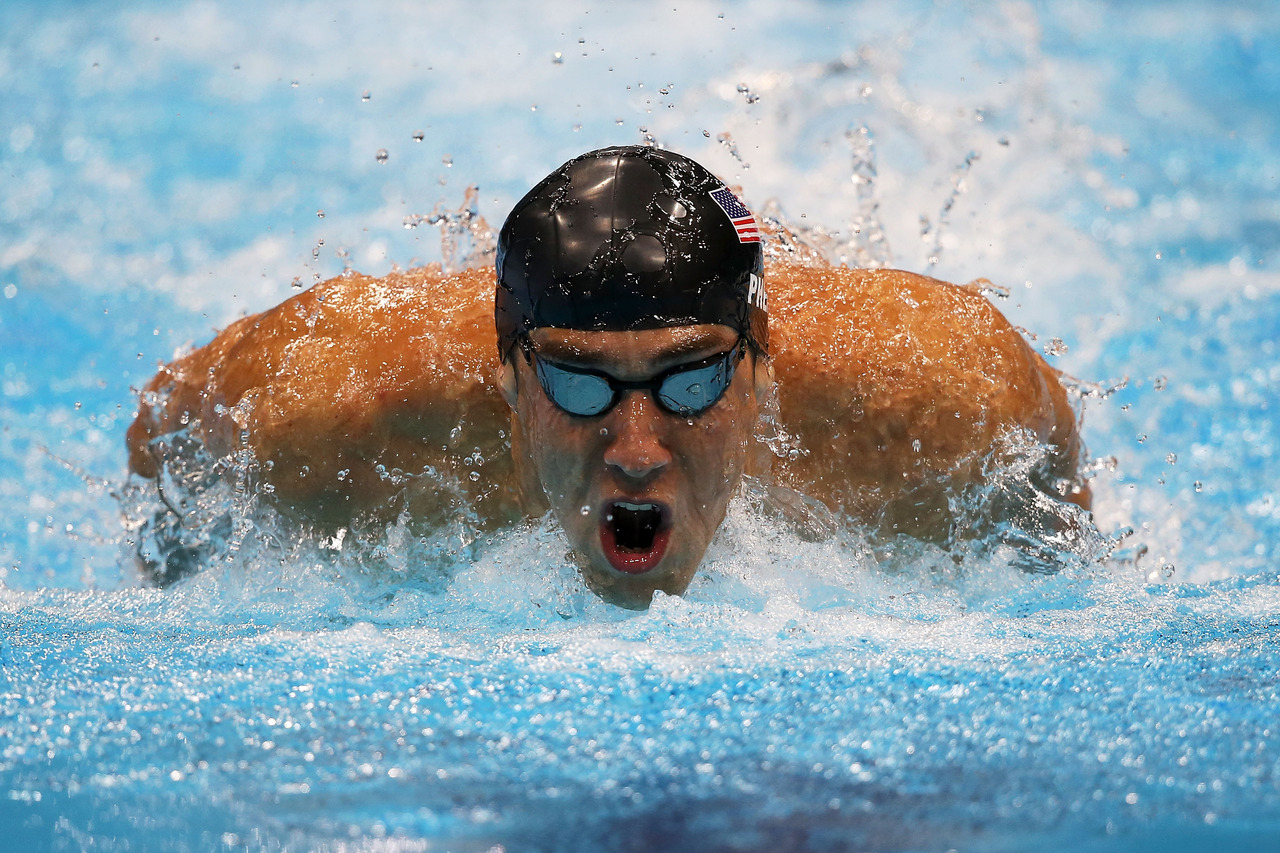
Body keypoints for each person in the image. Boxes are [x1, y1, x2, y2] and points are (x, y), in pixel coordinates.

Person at [126, 145, 1089, 608]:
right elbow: (162, 430)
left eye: (692, 384)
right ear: (506, 375)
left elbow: (1055, 507)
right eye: (579, 387)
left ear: (759, 367)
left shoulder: (937, 397)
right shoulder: (337, 408)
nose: (633, 450)